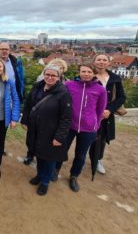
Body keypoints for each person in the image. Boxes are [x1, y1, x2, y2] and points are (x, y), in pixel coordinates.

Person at [55, 64, 107, 192]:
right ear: (79, 72)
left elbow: (100, 110)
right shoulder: (69, 85)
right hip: (69, 125)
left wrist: (96, 124)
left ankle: (74, 176)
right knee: (61, 149)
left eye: (89, 71)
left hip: (88, 128)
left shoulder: (100, 90)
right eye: (83, 71)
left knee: (81, 154)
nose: (86, 74)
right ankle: (55, 170)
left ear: (94, 73)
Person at [21, 65, 72, 195]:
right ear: (44, 74)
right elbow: (28, 105)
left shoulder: (63, 94)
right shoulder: (37, 87)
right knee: (38, 153)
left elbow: (66, 118)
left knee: (49, 158)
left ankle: (45, 182)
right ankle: (39, 175)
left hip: (51, 131)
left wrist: (59, 137)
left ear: (59, 77)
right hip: (35, 128)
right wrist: (25, 120)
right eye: (47, 74)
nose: (50, 77)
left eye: (53, 75)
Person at [24, 58, 69, 165]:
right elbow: (29, 102)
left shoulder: (65, 85)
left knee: (47, 146)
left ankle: (45, 172)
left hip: (50, 121)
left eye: (60, 67)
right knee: (32, 139)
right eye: (55, 65)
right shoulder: (40, 83)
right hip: (35, 118)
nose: (57, 68)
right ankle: (31, 154)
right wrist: (25, 119)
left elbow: (65, 112)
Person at [89, 54, 126, 175]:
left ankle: (97, 160)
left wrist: (109, 110)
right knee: (87, 136)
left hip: (106, 114)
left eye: (104, 60)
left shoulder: (115, 78)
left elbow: (121, 97)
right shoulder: (88, 75)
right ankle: (82, 157)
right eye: (99, 59)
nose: (101, 62)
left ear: (108, 63)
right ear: (94, 62)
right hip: (90, 113)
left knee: (102, 138)